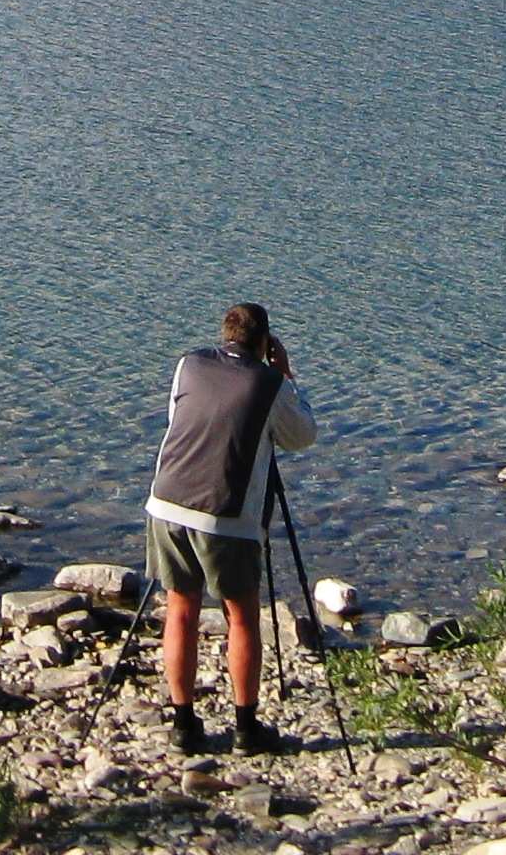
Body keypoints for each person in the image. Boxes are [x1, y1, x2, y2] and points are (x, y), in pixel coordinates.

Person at [143, 301, 317, 755]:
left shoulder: (189, 364)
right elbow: (302, 436)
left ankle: (183, 725)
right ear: (265, 343)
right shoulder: (269, 383)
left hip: (167, 502)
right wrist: (287, 375)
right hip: (226, 513)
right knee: (241, 616)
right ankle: (245, 727)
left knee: (180, 610)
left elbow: (178, 419)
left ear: (225, 335)